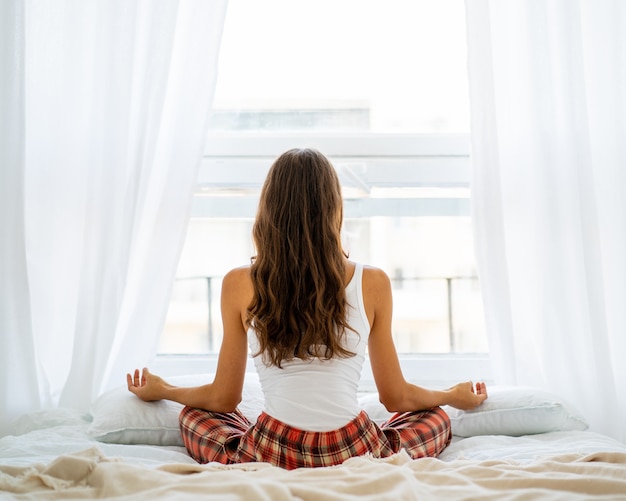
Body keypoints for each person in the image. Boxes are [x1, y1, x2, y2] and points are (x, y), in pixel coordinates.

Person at [127, 148, 488, 470]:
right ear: (334, 208)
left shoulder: (238, 283)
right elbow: (396, 398)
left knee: (195, 416)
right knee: (436, 418)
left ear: (268, 210)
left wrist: (165, 389)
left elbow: (223, 399)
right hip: (354, 446)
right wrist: (451, 396)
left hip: (273, 447)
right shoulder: (373, 282)